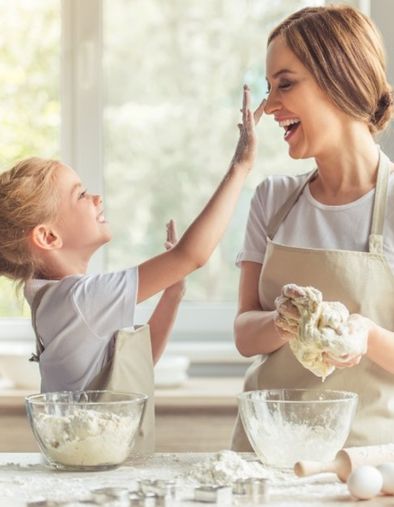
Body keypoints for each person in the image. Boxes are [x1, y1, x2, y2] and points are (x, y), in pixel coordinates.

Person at [0, 85, 265, 452]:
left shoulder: (58, 299)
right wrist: (240, 167)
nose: (96, 198)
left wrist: (173, 293)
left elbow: (135, 367)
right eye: (80, 194)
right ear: (47, 236)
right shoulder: (80, 299)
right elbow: (193, 254)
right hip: (93, 472)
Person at [231, 5, 394, 451]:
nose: (271, 106)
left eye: (286, 84)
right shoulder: (273, 199)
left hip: (362, 462)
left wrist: (363, 332)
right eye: (269, 88)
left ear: (341, 78)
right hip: (265, 451)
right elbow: (245, 334)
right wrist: (291, 322)